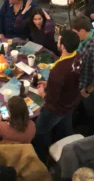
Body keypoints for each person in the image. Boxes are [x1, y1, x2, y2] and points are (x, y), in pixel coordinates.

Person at [33, 30, 83, 162]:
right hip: (71, 101)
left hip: (56, 109)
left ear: (63, 46)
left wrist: (43, 93)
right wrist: (50, 83)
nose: (57, 41)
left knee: (39, 131)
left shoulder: (58, 71)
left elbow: (51, 101)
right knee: (65, 128)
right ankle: (68, 153)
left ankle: (43, 158)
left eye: (59, 40)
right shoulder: (78, 56)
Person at [69, 17, 94, 135]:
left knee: (92, 112)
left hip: (88, 88)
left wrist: (87, 91)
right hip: (81, 82)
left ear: (82, 31)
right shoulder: (85, 40)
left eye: (75, 32)